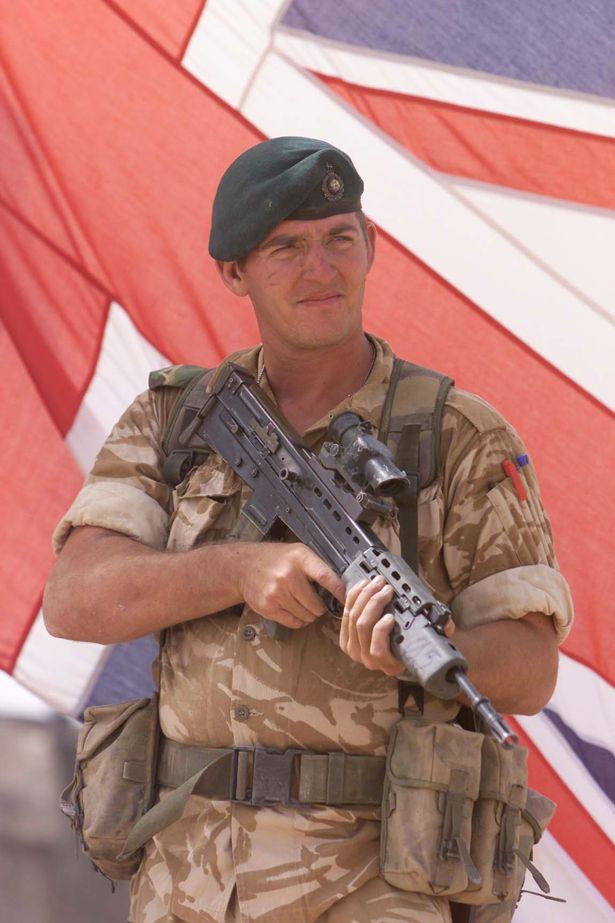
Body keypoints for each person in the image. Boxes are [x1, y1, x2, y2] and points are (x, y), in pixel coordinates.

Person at [43, 137, 573, 923]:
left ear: (371, 246)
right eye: (286, 247)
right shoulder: (178, 420)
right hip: (191, 880)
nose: (320, 269)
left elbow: (530, 669)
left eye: (338, 239)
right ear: (234, 273)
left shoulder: (456, 435)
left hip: (376, 882)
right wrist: (238, 570)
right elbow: (74, 599)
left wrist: (425, 651)